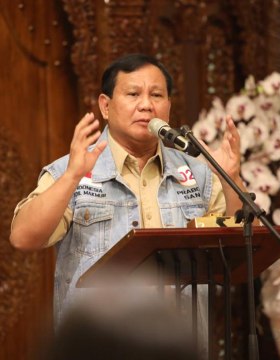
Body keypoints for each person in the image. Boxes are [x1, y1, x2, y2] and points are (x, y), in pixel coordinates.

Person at [10, 54, 244, 323]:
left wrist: (231, 178)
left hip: (180, 344)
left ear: (169, 106)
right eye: (133, 94)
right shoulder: (70, 172)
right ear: (106, 106)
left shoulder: (198, 174)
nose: (146, 105)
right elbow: (23, 238)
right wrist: (72, 177)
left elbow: (237, 249)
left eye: (157, 95)